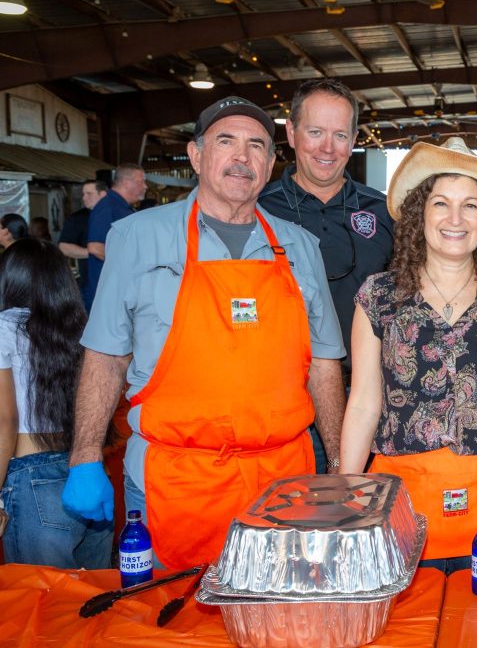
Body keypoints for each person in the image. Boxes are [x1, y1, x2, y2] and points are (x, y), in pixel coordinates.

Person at [60, 96, 345, 570]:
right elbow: (105, 356)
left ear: (272, 163)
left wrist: (337, 463)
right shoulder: (136, 237)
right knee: (167, 624)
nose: (242, 156)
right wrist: (86, 455)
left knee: (278, 624)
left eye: (257, 145)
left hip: (283, 483)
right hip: (174, 479)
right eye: (225, 141)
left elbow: (324, 362)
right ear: (196, 155)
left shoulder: (300, 246)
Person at [340, 137, 477, 572]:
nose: (456, 218)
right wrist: (346, 495)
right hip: (404, 501)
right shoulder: (378, 297)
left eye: (470, 205)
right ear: (420, 214)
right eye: (441, 203)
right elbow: (362, 404)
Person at [260, 78, 393, 375]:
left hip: (367, 386)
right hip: (281, 385)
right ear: (292, 133)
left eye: (340, 135)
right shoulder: (259, 209)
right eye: (315, 132)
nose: (328, 148)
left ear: (354, 139)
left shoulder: (384, 211)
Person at [0, 239, 113, 567]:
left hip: (33, 481)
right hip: (87, 474)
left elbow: (5, 419)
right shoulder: (79, 329)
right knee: (94, 604)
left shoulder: (4, 326)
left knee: (41, 607)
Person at [85, 164, 147, 310]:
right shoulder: (108, 207)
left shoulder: (124, 207)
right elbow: (95, 247)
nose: (145, 186)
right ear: (126, 182)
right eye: (141, 181)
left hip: (121, 291)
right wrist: (132, 265)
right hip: (108, 296)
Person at [58, 180, 107, 293]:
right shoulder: (77, 218)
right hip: (90, 284)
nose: (84, 198)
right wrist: (93, 252)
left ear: (103, 194)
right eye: (83, 194)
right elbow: (64, 247)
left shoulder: (116, 214)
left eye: (89, 194)